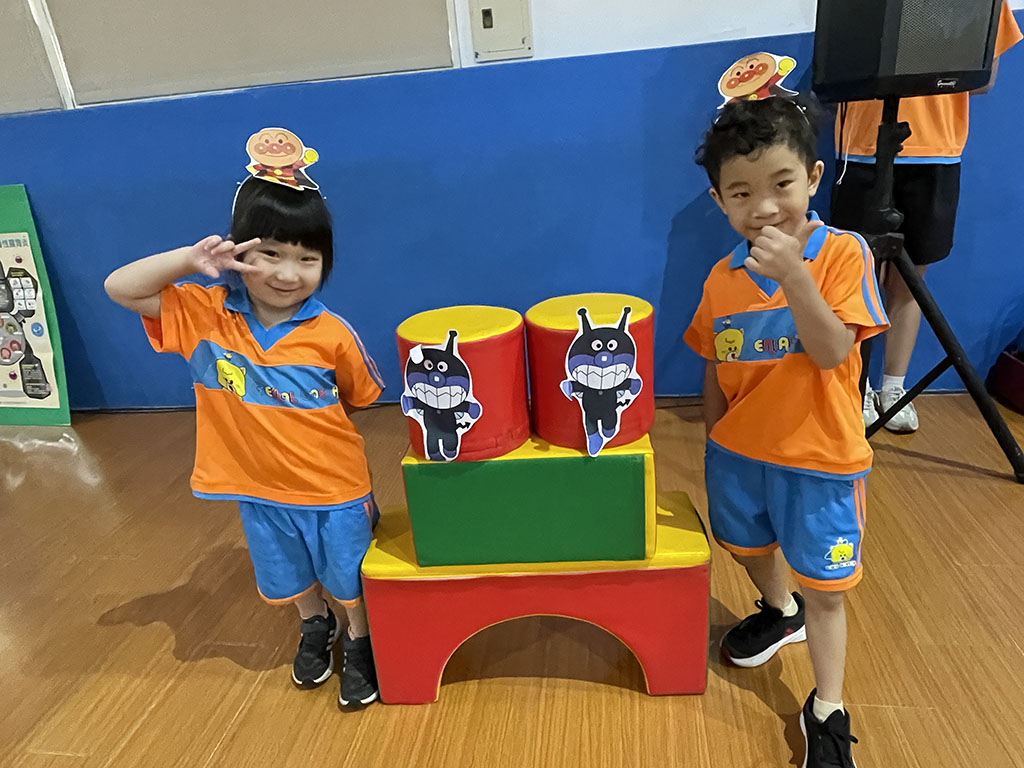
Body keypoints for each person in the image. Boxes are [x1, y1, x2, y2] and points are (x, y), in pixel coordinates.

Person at [104, 154, 385, 708]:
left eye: (307, 259)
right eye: (270, 254)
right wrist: (187, 260)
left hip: (334, 489)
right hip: (256, 488)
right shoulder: (203, 316)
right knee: (287, 572)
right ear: (238, 253)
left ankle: (360, 638)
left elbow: (358, 398)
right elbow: (120, 287)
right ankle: (316, 624)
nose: (288, 273)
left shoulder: (333, 333)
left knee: (351, 575)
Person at [685, 94, 888, 767]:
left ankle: (827, 708)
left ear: (814, 177)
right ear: (719, 201)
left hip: (821, 461)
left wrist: (796, 277)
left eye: (782, 184)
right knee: (743, 542)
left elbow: (832, 351)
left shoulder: (843, 254)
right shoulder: (721, 278)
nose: (765, 207)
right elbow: (714, 364)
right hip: (739, 455)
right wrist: (714, 441)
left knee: (828, 590)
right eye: (742, 193)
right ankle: (779, 609)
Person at [831, 1, 1022, 432]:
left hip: (936, 152)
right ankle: (854, 386)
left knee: (911, 276)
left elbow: (983, 79)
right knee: (857, 276)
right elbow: (838, 64)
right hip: (861, 151)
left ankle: (893, 387)